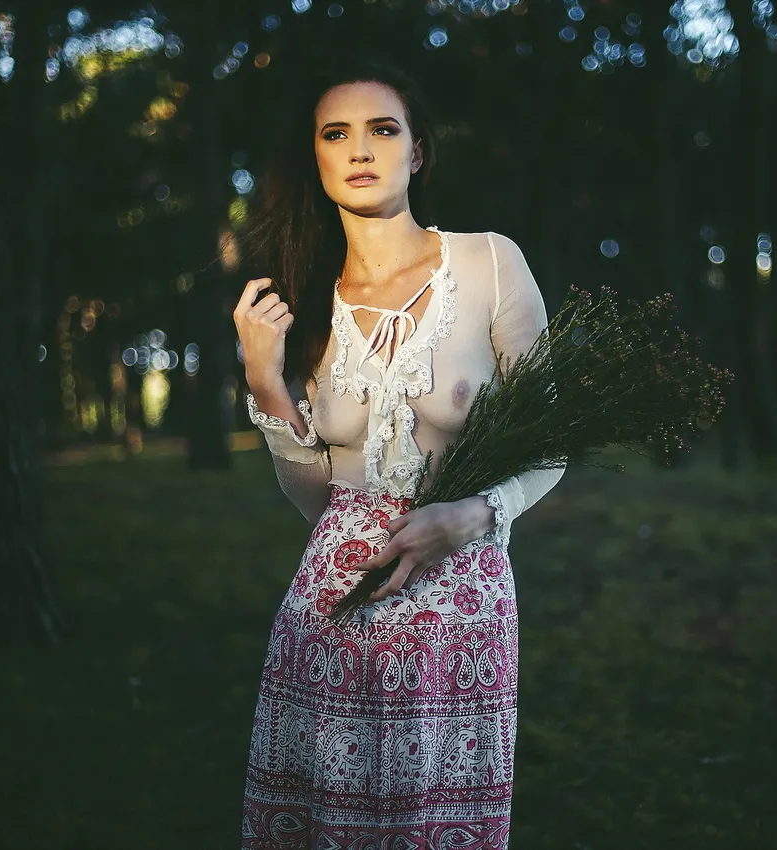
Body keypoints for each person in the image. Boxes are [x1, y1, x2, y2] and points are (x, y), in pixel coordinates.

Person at [234, 58, 565, 848]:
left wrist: (471, 516)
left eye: (383, 129)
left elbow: (552, 443)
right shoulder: (304, 297)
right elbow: (315, 496)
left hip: (461, 601)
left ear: (417, 152)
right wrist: (263, 376)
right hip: (329, 607)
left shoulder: (488, 263)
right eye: (336, 133)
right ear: (316, 159)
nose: (360, 149)